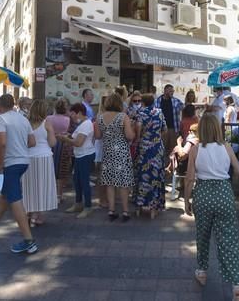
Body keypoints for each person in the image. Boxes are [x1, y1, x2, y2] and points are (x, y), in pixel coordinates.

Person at [184, 113, 239, 301]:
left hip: (203, 193)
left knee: (202, 235)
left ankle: (202, 271)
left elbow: (190, 178)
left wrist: (187, 200)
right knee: (228, 239)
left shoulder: (196, 149)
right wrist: (231, 182)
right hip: (223, 193)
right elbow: (238, 170)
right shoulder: (225, 147)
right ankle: (236, 285)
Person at [0, 94, 38, 254]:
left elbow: (2, 143)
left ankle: (29, 240)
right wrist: (19, 146)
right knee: (5, 196)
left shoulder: (0, 119)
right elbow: (32, 142)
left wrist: (0, 165)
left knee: (14, 200)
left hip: (11, 163)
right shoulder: (23, 118)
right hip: (23, 161)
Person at [95, 93, 136, 221]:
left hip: (107, 153)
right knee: (123, 183)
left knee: (110, 183)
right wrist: (133, 129)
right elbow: (130, 136)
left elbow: (97, 136)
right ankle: (125, 211)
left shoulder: (100, 118)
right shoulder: (123, 117)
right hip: (121, 152)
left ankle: (111, 210)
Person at [21, 99, 58, 225]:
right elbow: (52, 143)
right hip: (44, 157)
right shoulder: (46, 123)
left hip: (28, 157)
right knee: (42, 186)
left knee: (29, 187)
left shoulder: (25, 123)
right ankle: (38, 215)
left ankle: (28, 212)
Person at [59, 103, 96, 218]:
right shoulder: (83, 124)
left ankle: (88, 206)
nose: (72, 117)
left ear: (79, 112)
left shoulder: (86, 124)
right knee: (77, 180)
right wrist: (69, 136)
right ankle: (78, 203)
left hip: (85, 155)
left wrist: (64, 139)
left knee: (84, 181)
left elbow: (79, 143)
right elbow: (77, 139)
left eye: (73, 114)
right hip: (80, 155)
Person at [134, 93, 166, 219]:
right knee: (156, 176)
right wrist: (157, 139)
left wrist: (139, 138)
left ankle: (139, 205)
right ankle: (154, 206)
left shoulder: (141, 113)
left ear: (143, 102)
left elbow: (138, 128)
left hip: (144, 148)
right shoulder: (159, 112)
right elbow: (165, 129)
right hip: (157, 147)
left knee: (142, 175)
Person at [47, 98, 71, 204]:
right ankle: (59, 195)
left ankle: (49, 194)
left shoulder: (48, 118)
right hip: (63, 144)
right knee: (62, 170)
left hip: (50, 144)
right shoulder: (68, 119)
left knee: (50, 169)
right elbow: (68, 132)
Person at [155, 84, 184, 161]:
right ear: (165, 90)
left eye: (173, 91)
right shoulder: (158, 100)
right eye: (170, 90)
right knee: (162, 146)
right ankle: (163, 164)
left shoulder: (175, 100)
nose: (172, 92)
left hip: (173, 128)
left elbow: (183, 107)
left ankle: (172, 164)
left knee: (173, 146)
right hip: (162, 129)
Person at [171, 123, 198, 200]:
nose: (189, 132)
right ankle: (169, 169)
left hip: (187, 168)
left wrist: (179, 143)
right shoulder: (202, 141)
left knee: (177, 148)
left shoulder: (191, 142)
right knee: (177, 149)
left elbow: (182, 156)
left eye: (191, 130)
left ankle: (169, 169)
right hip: (197, 167)